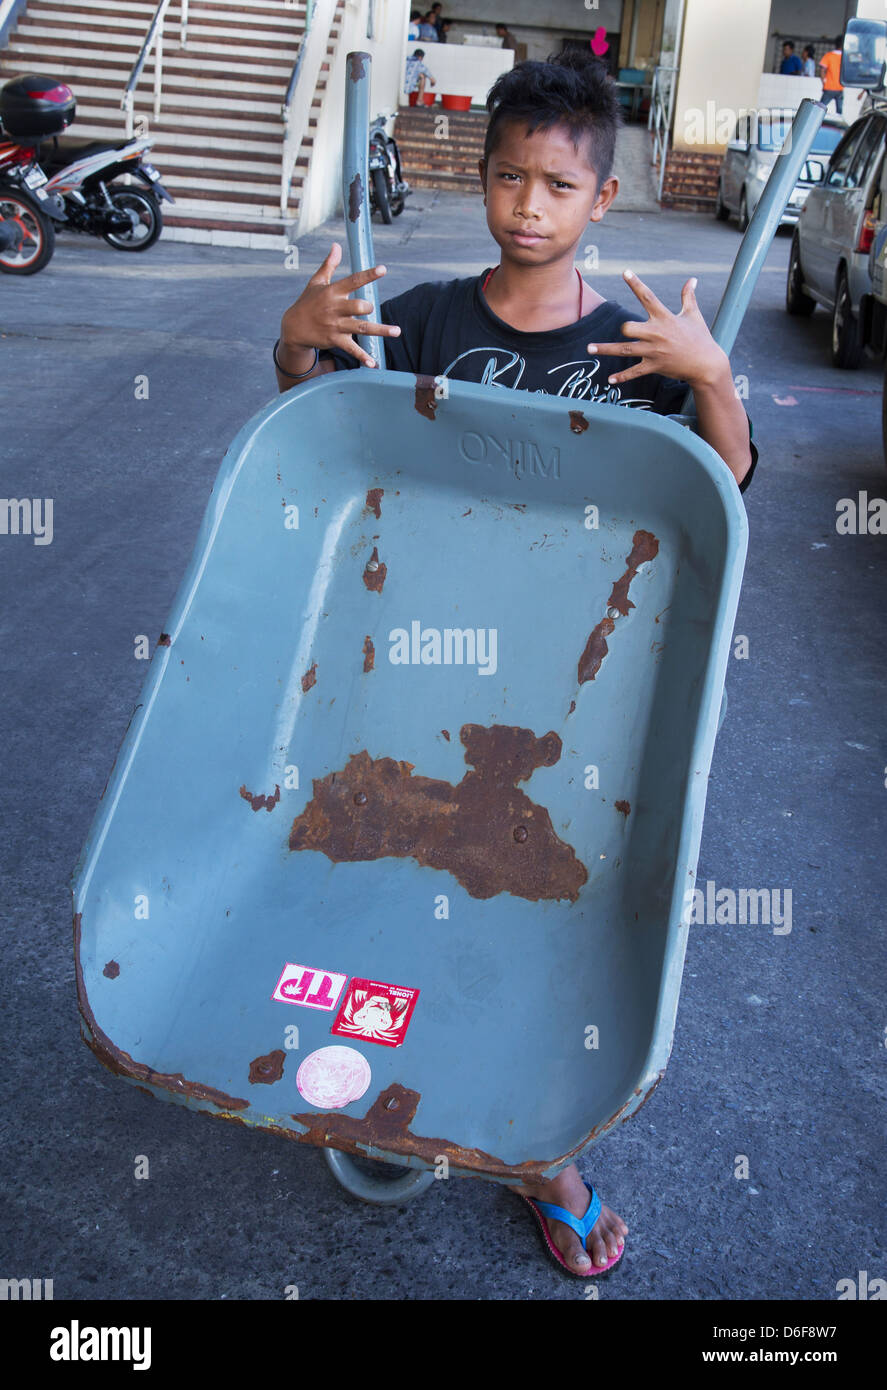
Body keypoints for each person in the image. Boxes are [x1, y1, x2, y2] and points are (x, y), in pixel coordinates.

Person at [273, 50, 758, 1273]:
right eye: (504, 178)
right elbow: (329, 441)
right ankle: (377, 1056)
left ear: (601, 201)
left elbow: (726, 487)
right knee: (387, 864)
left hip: (558, 700)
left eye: (554, 184)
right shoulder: (424, 316)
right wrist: (293, 349)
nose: (525, 205)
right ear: (479, 183)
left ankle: (540, 1148)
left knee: (525, 898)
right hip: (411, 671)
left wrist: (708, 382)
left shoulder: (628, 350)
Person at [820, 36, 844, 114]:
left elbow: (822, 70)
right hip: (840, 88)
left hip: (829, 87)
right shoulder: (845, 57)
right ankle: (839, 126)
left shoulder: (829, 55)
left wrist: (824, 82)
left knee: (820, 108)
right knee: (839, 111)